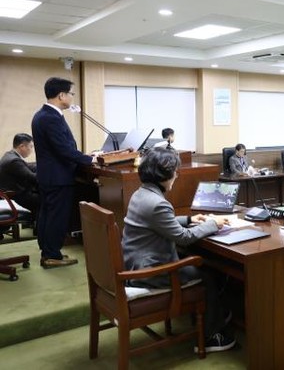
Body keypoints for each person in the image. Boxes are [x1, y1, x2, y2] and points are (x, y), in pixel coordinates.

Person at [121, 148, 236, 352]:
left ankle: (217, 314)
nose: (176, 175)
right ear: (163, 175)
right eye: (175, 171)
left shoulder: (141, 194)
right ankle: (212, 335)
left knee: (202, 265)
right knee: (208, 275)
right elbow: (184, 237)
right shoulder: (158, 203)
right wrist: (213, 223)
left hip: (134, 264)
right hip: (151, 272)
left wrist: (190, 219)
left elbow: (158, 222)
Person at [32, 77, 95, 268]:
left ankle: (48, 252)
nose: (72, 97)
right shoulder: (51, 117)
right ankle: (52, 255)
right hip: (57, 177)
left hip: (49, 176)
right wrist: (90, 159)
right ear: (61, 95)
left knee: (47, 215)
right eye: (71, 93)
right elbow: (64, 149)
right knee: (56, 217)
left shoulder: (42, 114)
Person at [0, 133, 40, 213]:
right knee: (50, 199)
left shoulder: (9, 155)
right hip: (18, 196)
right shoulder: (14, 161)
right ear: (22, 146)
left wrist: (41, 165)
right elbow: (33, 178)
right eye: (31, 147)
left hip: (13, 193)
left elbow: (26, 166)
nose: (32, 150)